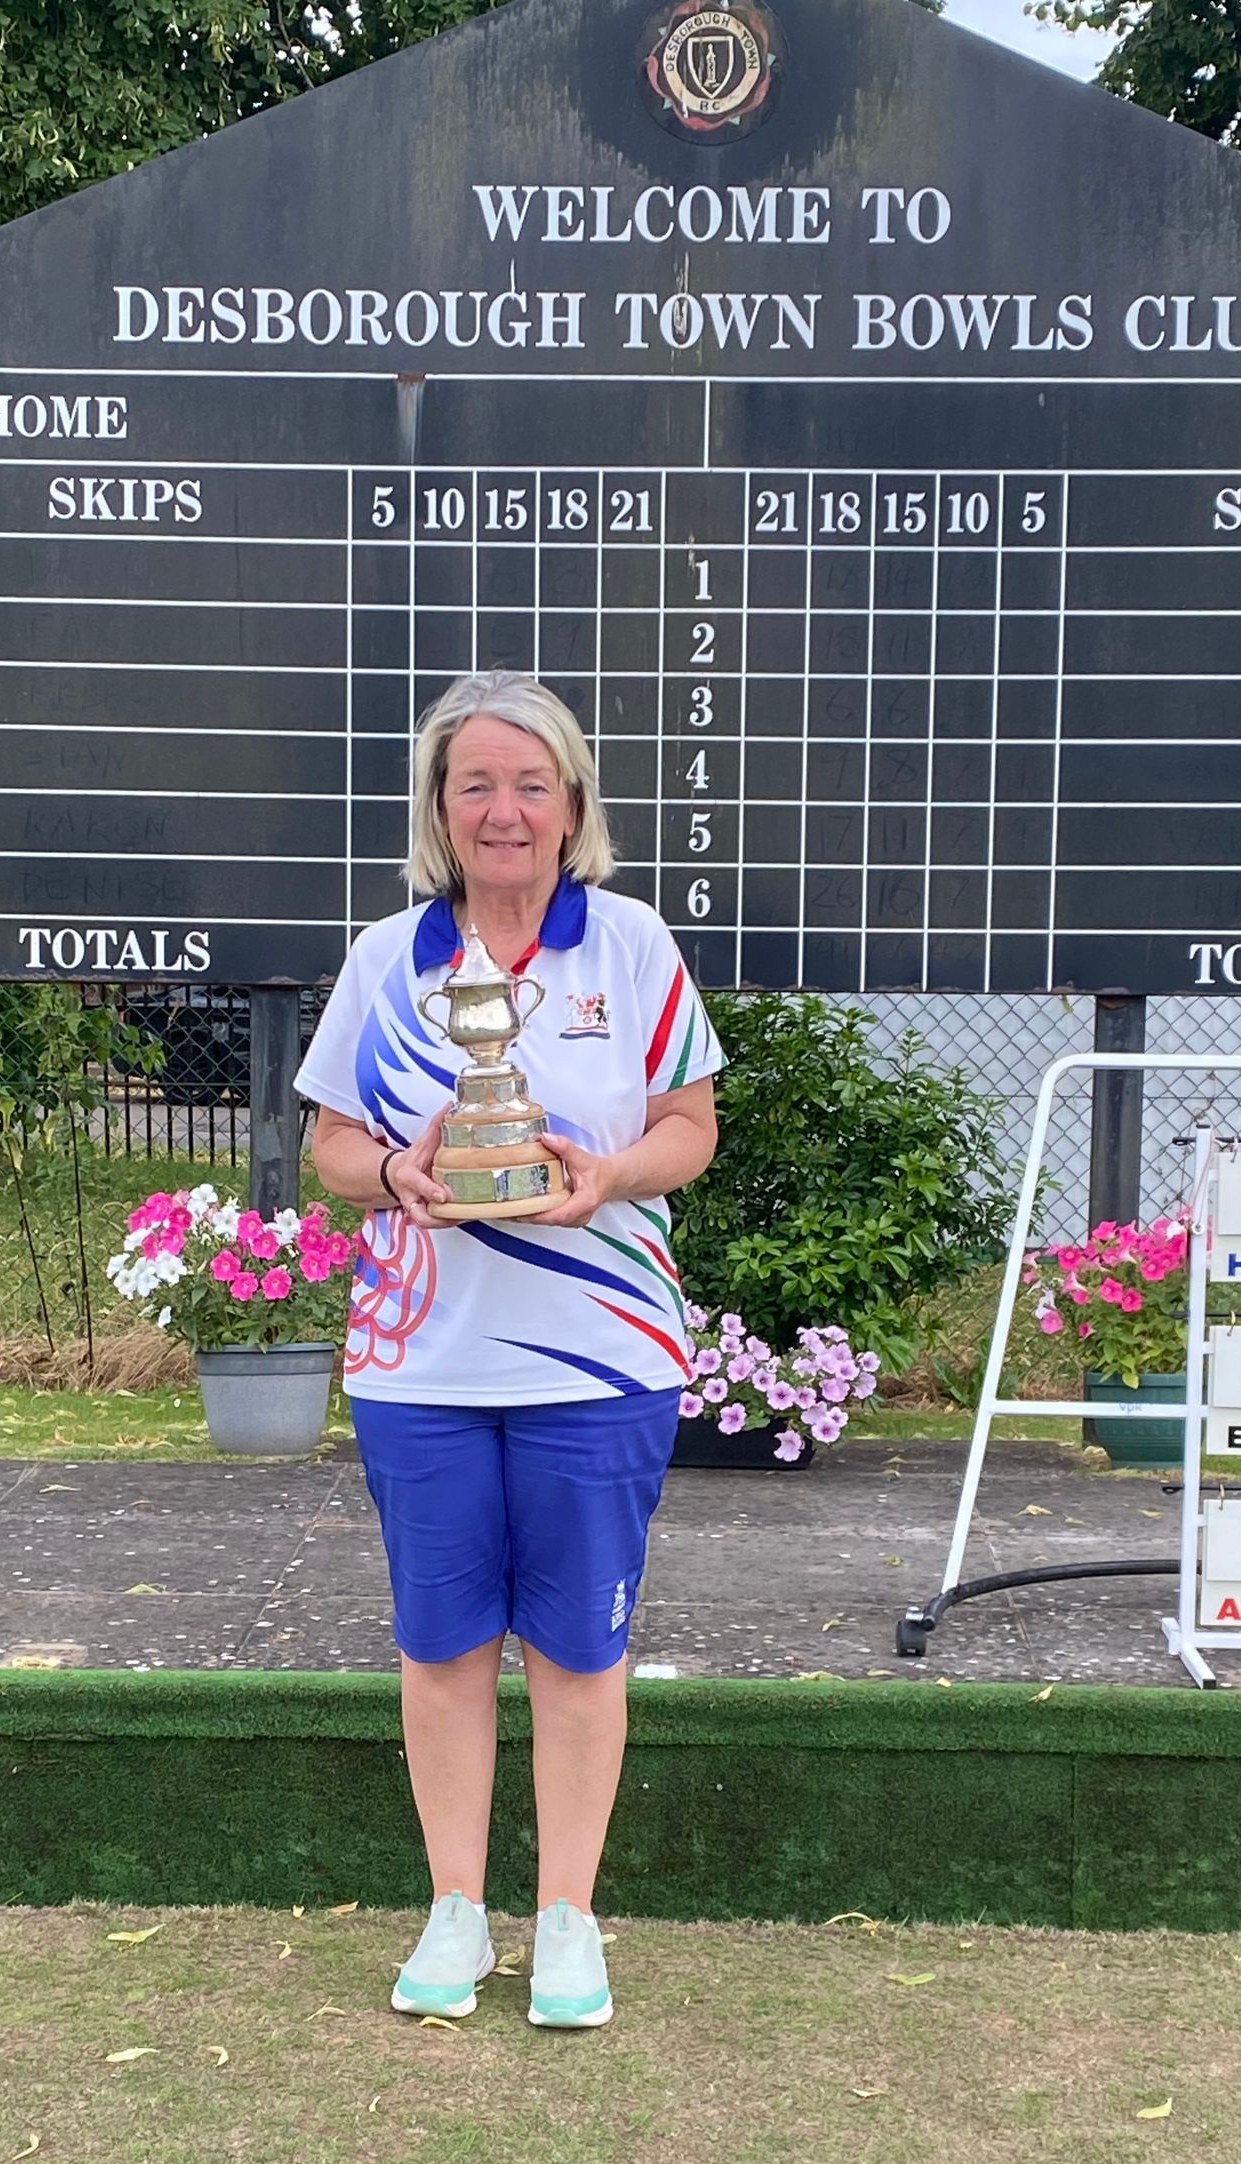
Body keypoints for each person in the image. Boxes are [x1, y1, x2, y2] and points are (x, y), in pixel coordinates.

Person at [295, 670, 722, 2030]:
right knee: (442, 1644)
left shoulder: (632, 945)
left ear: (572, 806)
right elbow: (329, 1146)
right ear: (440, 808)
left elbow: (690, 1129)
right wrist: (394, 1172)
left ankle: (569, 1920)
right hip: (420, 1369)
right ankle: (457, 1909)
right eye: (475, 783)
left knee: (581, 1650)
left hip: (604, 1362)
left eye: (531, 784)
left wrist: (607, 1177)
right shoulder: (387, 958)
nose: (504, 809)